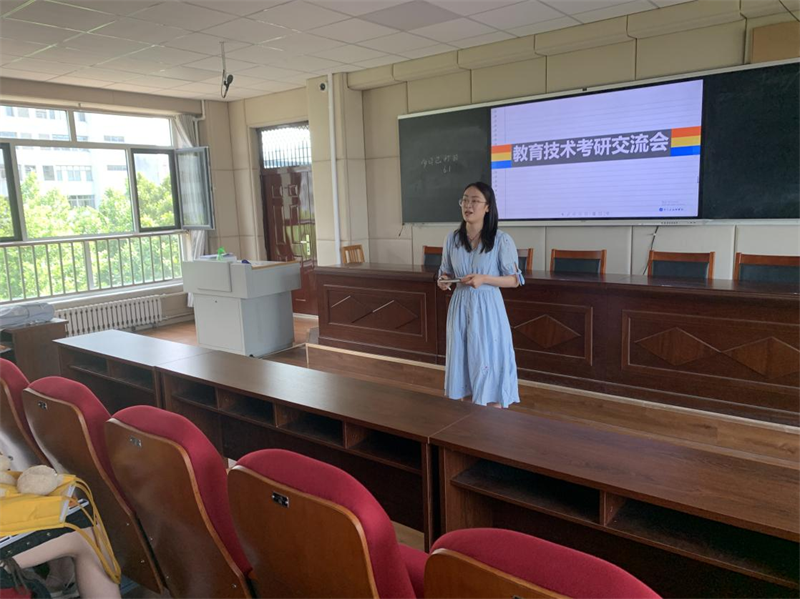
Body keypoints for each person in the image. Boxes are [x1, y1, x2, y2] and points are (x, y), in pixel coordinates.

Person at [438, 181, 523, 408]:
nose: (468, 205)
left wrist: (484, 278)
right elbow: (445, 271)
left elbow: (515, 280)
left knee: (488, 358)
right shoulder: (452, 239)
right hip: (460, 306)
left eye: (475, 201)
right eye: (465, 200)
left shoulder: (501, 240)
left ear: (487, 207)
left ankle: (492, 416)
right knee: (463, 359)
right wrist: (443, 280)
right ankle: (467, 415)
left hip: (488, 308)